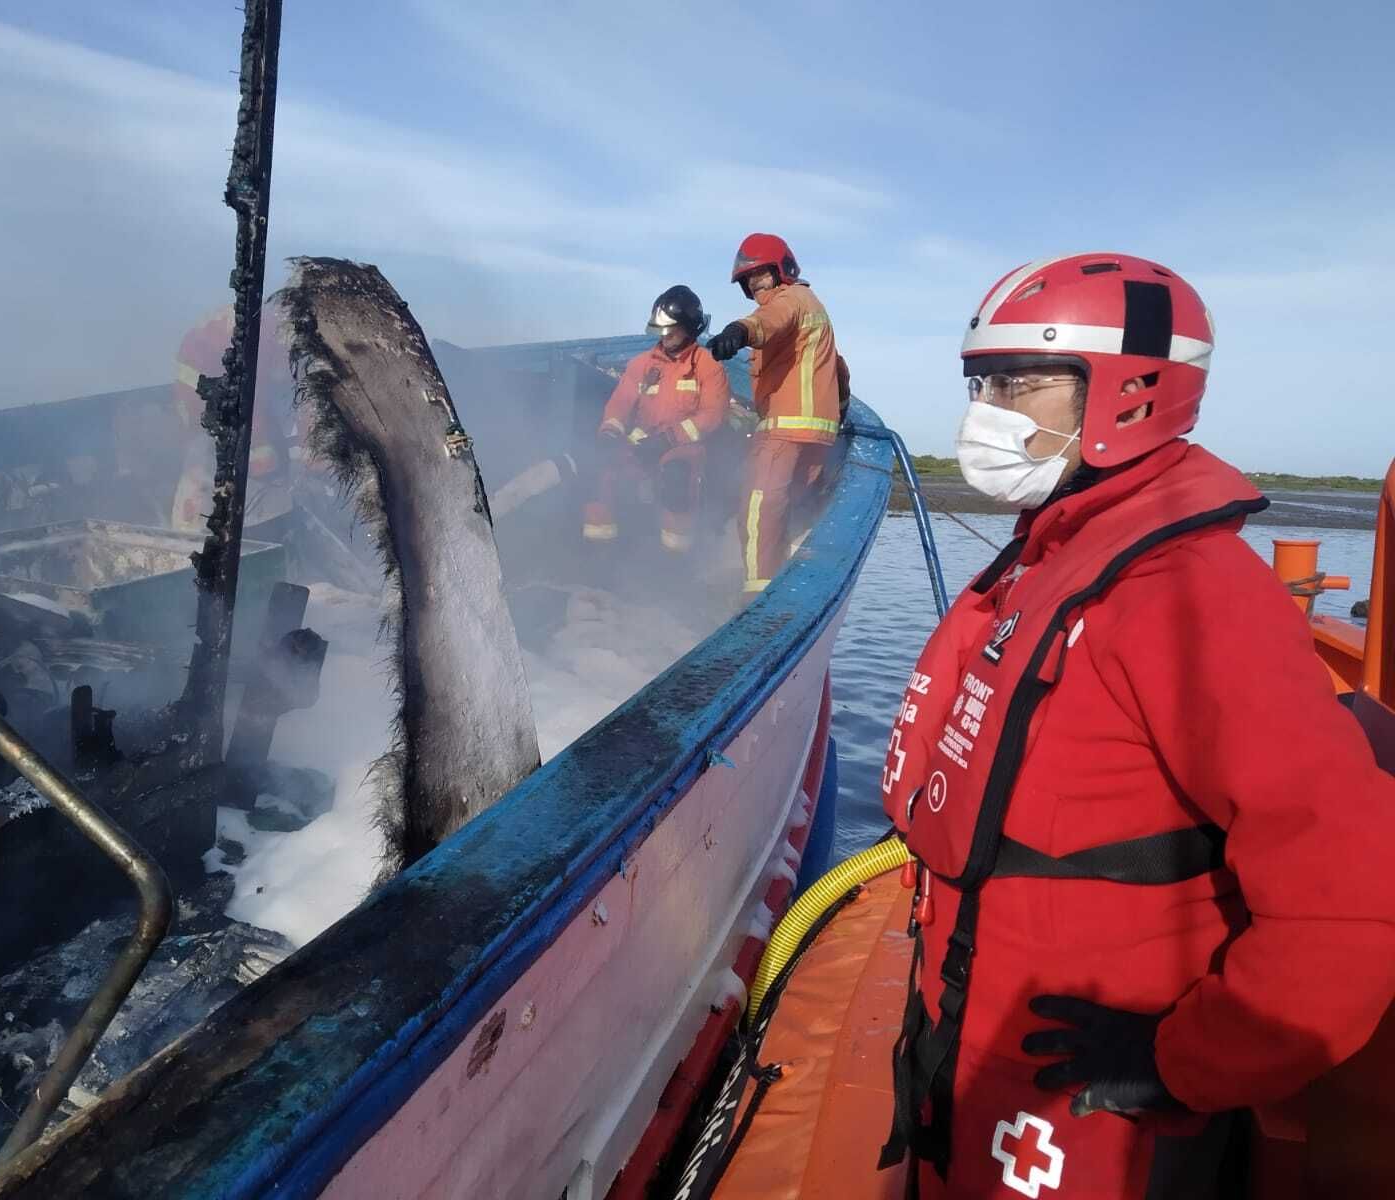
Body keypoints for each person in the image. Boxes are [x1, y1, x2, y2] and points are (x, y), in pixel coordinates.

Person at [875, 253, 1395, 1198]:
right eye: (980, 383)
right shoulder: (1054, 556)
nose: (984, 412)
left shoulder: (1190, 594)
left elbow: (1352, 904)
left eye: (1016, 384)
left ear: (1127, 393)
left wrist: (1184, 1060)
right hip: (978, 1060)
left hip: (1096, 1126)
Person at [707, 233, 850, 596]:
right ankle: (792, 586)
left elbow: (768, 321)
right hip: (817, 437)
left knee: (758, 510)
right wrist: (841, 411)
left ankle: (757, 599)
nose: (754, 284)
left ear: (781, 270)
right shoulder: (815, 307)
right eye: (747, 279)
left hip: (786, 432)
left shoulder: (791, 299)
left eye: (760, 275)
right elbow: (839, 370)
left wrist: (738, 331)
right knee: (790, 510)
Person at [582, 285, 730, 553]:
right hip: (640, 444)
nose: (665, 336)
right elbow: (620, 404)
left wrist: (669, 440)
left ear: (688, 326)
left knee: (676, 477)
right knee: (601, 466)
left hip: (683, 449)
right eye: (661, 330)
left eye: (671, 330)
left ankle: (673, 557)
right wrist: (609, 432)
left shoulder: (709, 366)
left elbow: (712, 415)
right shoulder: (641, 364)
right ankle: (599, 551)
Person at [169, 302, 296, 532]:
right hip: (209, 395)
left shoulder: (265, 324)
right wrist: (266, 468)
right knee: (211, 471)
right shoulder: (266, 339)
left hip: (198, 394)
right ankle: (203, 531)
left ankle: (194, 525)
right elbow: (251, 412)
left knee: (200, 462)